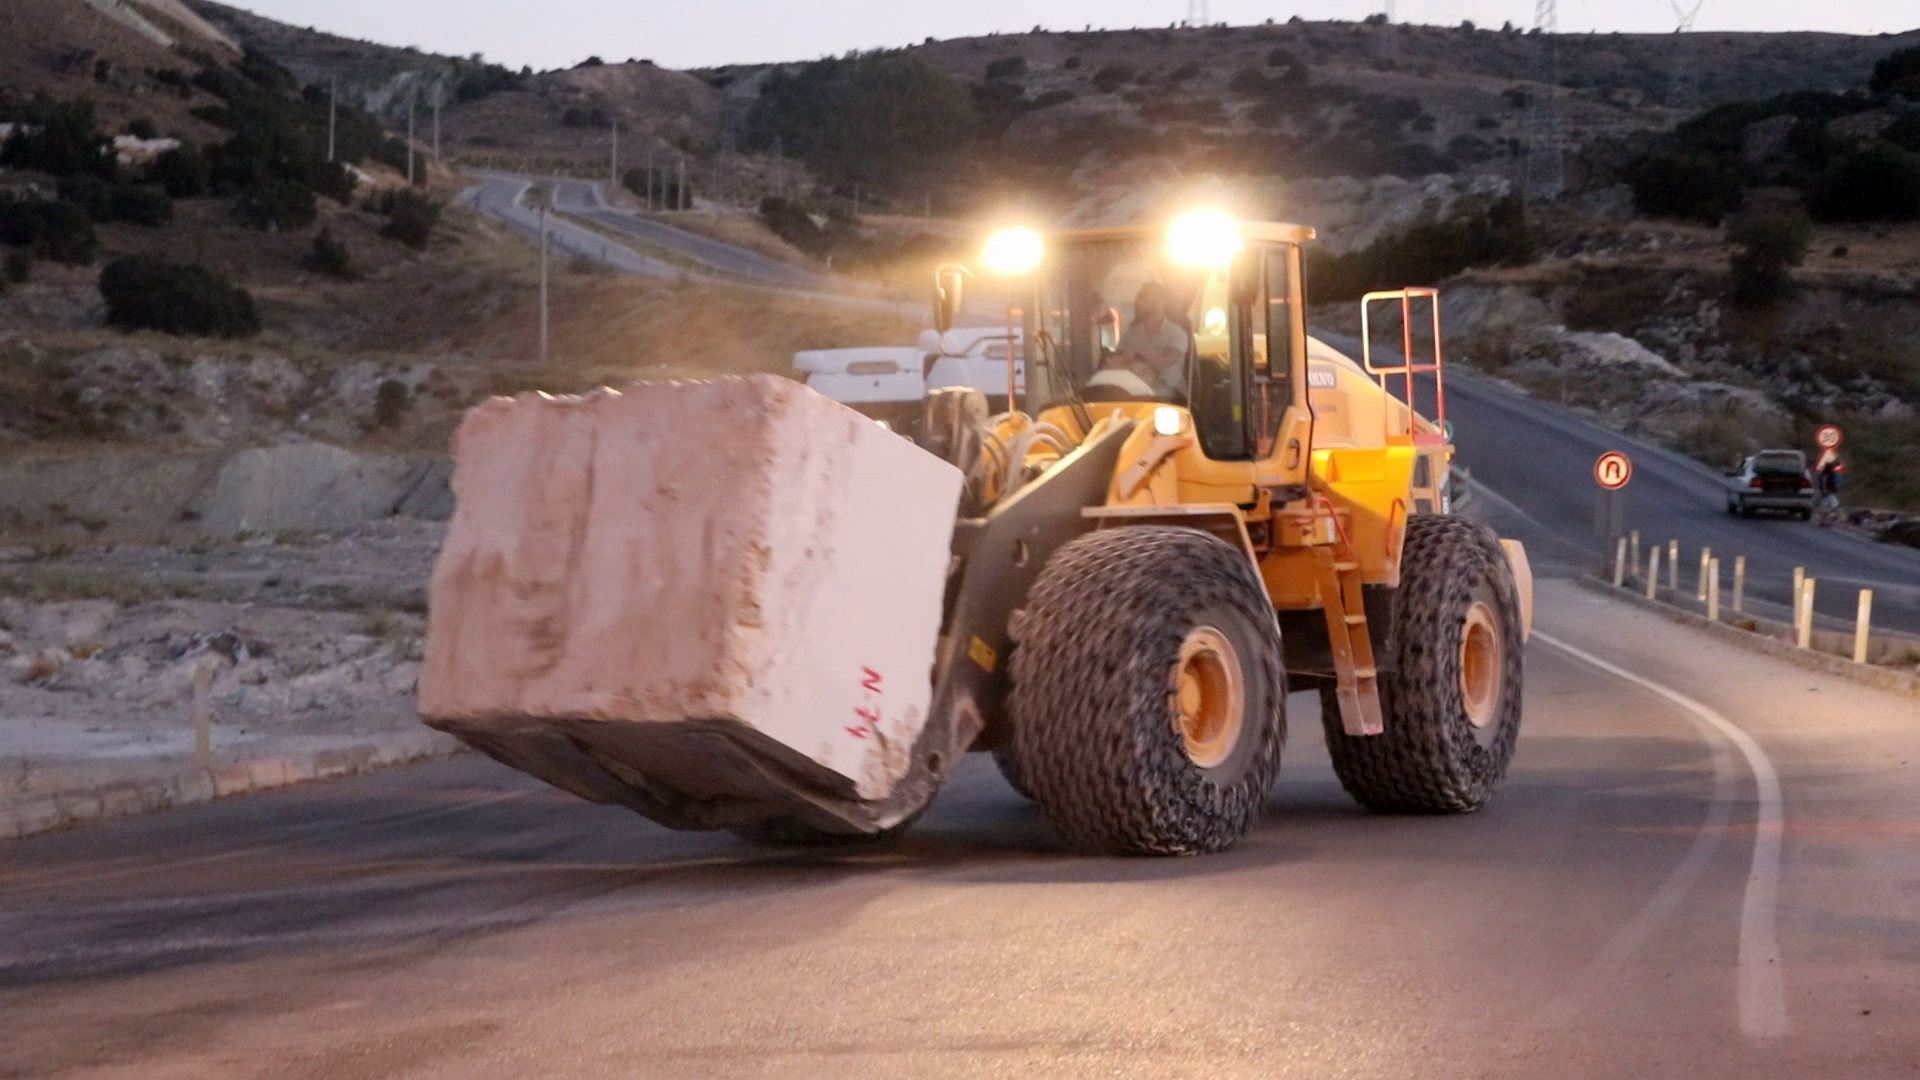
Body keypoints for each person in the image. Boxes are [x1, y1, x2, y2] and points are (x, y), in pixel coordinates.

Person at [1103, 281, 1191, 398]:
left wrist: (1135, 356)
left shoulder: (1177, 334)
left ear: (1160, 302)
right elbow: (1118, 361)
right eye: (1138, 298)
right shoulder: (1131, 334)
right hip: (1133, 394)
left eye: (1144, 298)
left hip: (1170, 398)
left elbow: (1164, 360)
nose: (1138, 303)